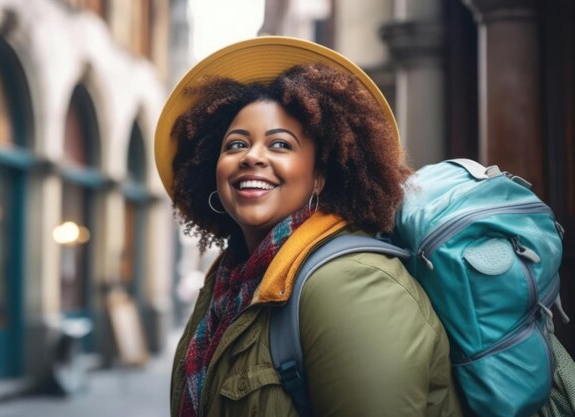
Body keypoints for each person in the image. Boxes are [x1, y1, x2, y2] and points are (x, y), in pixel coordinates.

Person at [154, 37, 463, 417]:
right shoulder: (230, 282)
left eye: (280, 145)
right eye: (235, 144)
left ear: (319, 176)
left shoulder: (350, 285)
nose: (252, 156)